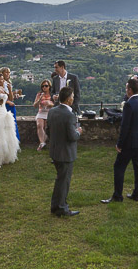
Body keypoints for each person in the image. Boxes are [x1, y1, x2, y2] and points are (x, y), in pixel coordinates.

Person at [101, 79, 138, 203]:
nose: (126, 91)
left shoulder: (129, 104)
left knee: (119, 167)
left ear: (130, 90)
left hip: (129, 142)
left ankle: (117, 195)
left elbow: (125, 126)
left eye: (127, 88)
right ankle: (137, 194)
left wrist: (119, 143)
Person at [48, 86, 83, 217]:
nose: (73, 99)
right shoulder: (69, 115)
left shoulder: (52, 111)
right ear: (68, 99)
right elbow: (72, 137)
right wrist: (78, 132)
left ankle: (55, 206)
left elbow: (48, 130)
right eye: (73, 97)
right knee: (64, 181)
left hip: (55, 151)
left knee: (60, 180)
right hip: (66, 154)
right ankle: (62, 208)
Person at [33, 79, 55, 151]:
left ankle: (44, 143)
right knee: (39, 125)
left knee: (46, 127)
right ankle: (42, 143)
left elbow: (56, 105)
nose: (44, 88)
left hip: (49, 112)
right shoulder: (39, 94)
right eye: (43, 86)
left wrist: (50, 104)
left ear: (49, 86)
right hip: (41, 112)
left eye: (46, 86)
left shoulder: (52, 95)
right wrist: (39, 99)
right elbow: (35, 105)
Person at [0, 66, 20, 142]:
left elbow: (10, 98)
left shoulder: (8, 83)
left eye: (9, 72)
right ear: (2, 74)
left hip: (9, 104)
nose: (8, 74)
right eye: (6, 72)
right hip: (4, 106)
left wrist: (14, 95)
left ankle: (14, 141)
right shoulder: (1, 84)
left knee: (12, 123)